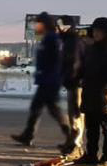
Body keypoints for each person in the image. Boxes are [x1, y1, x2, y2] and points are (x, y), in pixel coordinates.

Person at [12, 12, 71, 148]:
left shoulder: (52, 39)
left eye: (38, 24)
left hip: (50, 81)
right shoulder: (47, 38)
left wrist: (52, 75)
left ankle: (69, 134)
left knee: (52, 109)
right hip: (46, 80)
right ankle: (28, 135)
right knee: (37, 108)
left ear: (44, 24)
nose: (35, 27)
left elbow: (57, 60)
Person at [77, 17, 107, 166]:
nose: (96, 34)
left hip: (104, 93)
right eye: (94, 31)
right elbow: (85, 67)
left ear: (106, 32)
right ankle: (91, 154)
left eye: (99, 31)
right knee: (91, 127)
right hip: (90, 91)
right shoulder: (92, 48)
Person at [57, 15, 85, 155]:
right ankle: (72, 141)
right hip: (72, 82)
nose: (57, 28)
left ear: (66, 26)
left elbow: (74, 62)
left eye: (59, 25)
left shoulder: (72, 41)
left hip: (75, 83)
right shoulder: (66, 40)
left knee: (76, 114)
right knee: (73, 114)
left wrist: (68, 79)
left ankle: (76, 145)